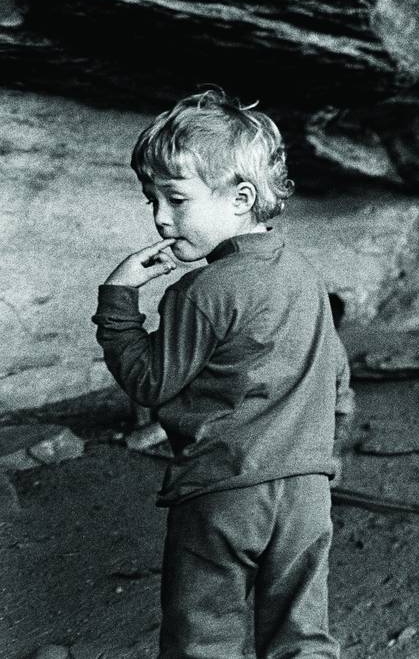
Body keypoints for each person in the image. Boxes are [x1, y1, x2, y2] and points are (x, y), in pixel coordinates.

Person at [92, 90, 355, 657]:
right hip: (307, 490)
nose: (160, 216)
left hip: (223, 492)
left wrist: (118, 300)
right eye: (151, 200)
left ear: (240, 198)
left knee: (202, 635)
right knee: (302, 634)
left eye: (175, 198)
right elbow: (338, 379)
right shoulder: (304, 274)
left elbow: (148, 383)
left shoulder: (201, 290)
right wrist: (321, 453)